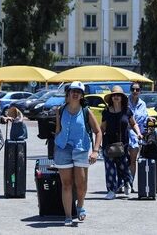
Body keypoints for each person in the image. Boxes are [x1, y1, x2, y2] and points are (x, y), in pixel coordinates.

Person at [53, 81, 102, 226]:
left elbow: (98, 132)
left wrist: (95, 151)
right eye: (73, 91)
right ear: (68, 94)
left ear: (81, 95)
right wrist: (55, 145)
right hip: (63, 148)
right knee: (66, 184)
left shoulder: (86, 111)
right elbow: (58, 129)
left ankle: (80, 206)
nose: (75, 94)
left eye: (78, 92)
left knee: (80, 183)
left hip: (81, 149)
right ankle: (68, 215)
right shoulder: (60, 110)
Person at [102, 85, 143, 200]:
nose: (116, 97)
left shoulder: (126, 110)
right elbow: (102, 129)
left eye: (118, 95)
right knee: (110, 168)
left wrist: (138, 133)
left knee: (123, 166)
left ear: (122, 98)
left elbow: (133, 123)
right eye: (113, 95)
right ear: (111, 97)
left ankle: (127, 182)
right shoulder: (106, 111)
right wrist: (97, 145)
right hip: (108, 144)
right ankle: (111, 190)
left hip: (122, 144)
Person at [127, 82, 148, 180]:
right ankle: (122, 183)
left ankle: (130, 182)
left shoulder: (142, 104)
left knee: (133, 160)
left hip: (137, 135)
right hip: (125, 133)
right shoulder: (125, 102)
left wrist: (149, 119)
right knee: (123, 160)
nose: (135, 91)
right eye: (133, 89)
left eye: (137, 90)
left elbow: (144, 118)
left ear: (140, 91)